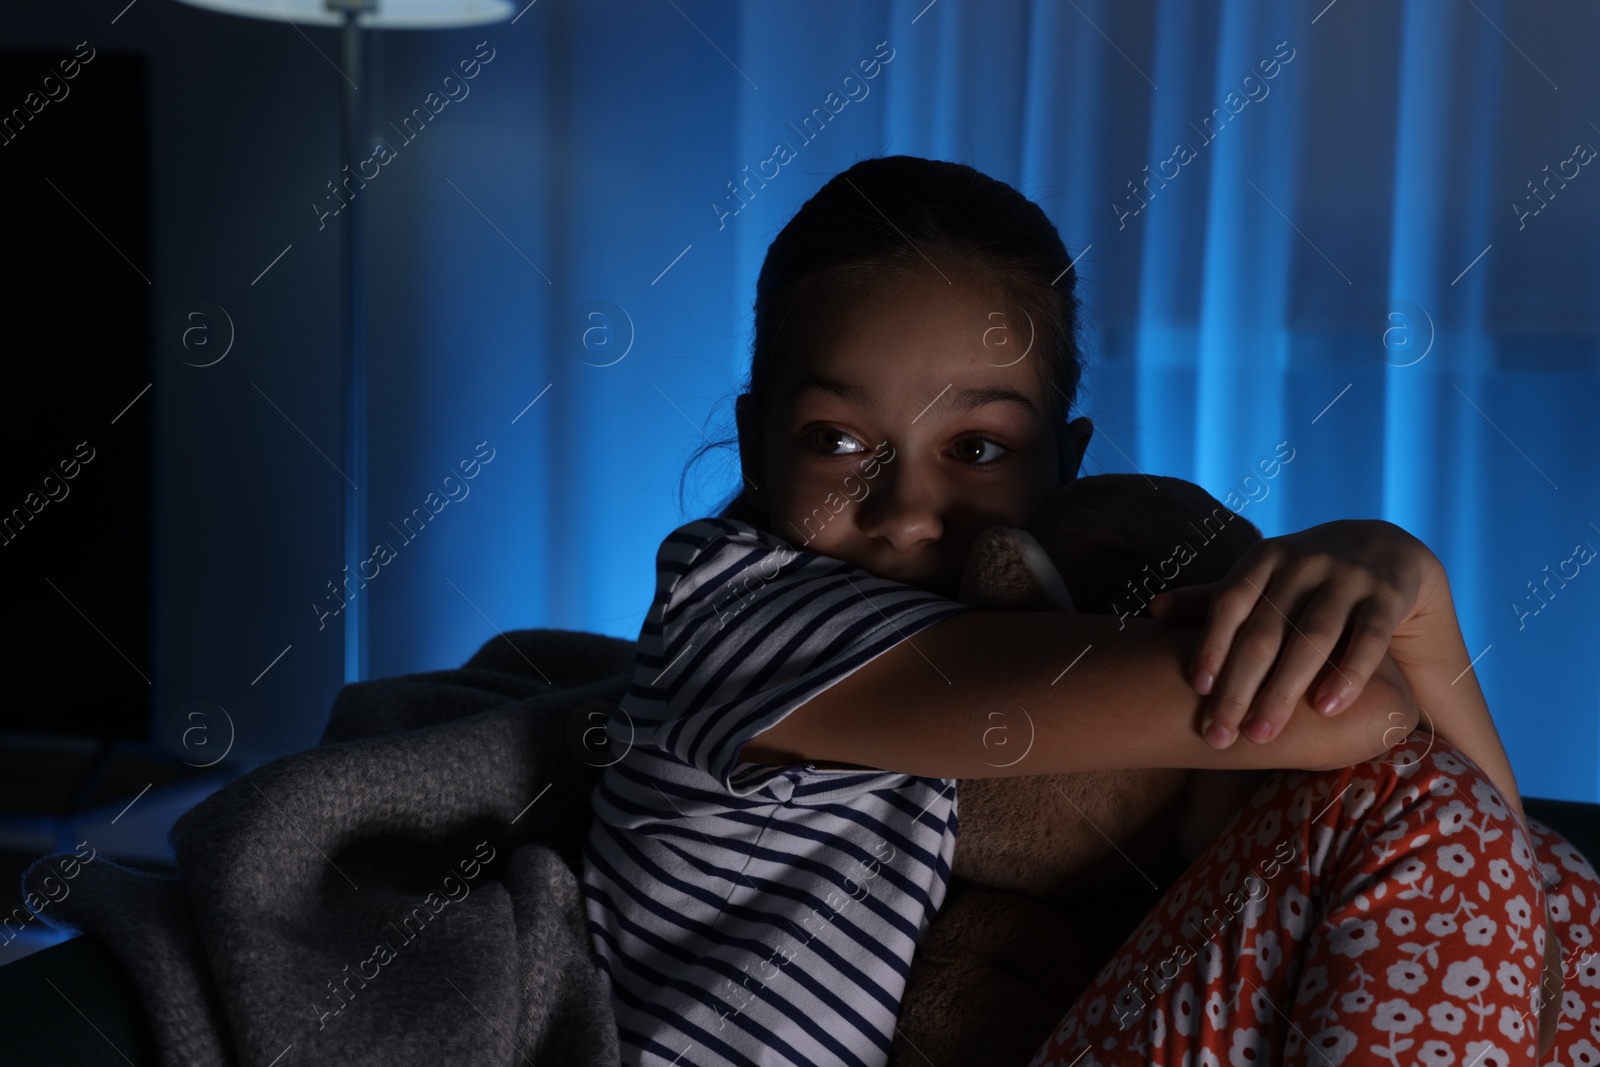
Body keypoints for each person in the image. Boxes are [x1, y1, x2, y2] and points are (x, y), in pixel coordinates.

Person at [579, 155, 1599, 1067]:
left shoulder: (1029, 635)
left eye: (975, 448)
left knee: (1561, 886)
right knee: (1417, 805)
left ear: (1063, 466)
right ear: (756, 442)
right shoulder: (733, 611)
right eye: (837, 440)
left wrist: (1421, 599)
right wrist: (1400, 625)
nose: (903, 511)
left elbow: (1507, 893)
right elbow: (1366, 727)